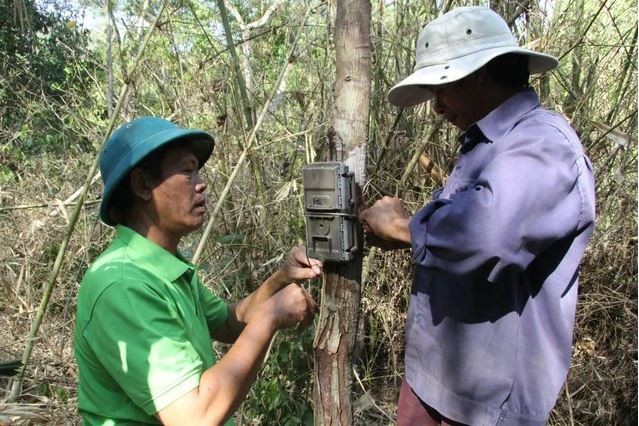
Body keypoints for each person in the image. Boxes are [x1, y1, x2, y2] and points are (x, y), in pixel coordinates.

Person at [360, 6, 595, 426]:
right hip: (432, 382)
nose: (436, 107)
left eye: (440, 88)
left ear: (480, 72)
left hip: (484, 409)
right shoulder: (484, 145)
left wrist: (401, 226)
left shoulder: (543, 144)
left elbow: (487, 235)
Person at [73, 117, 323, 425]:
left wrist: (281, 278)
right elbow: (194, 417)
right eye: (186, 171)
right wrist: (270, 316)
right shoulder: (123, 284)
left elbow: (228, 323)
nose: (200, 182)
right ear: (142, 185)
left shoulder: (163, 267)